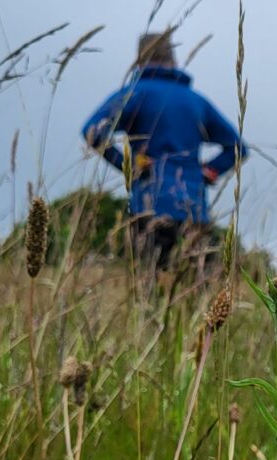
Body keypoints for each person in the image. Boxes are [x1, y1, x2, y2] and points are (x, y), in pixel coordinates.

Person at [81, 30, 247, 279]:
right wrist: (207, 172)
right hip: (194, 211)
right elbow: (238, 147)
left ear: (138, 60)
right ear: (174, 59)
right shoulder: (196, 101)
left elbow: (92, 132)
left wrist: (129, 166)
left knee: (148, 292)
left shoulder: (135, 93)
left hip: (148, 207)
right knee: (197, 296)